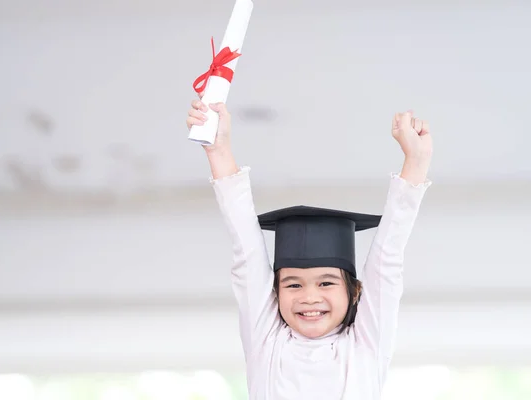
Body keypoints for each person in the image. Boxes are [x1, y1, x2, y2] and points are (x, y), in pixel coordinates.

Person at [185, 96, 432, 399]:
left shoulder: (366, 346)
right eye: (293, 285)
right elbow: (246, 250)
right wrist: (218, 148)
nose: (309, 297)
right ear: (274, 293)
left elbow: (388, 258)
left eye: (326, 282)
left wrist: (416, 162)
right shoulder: (266, 342)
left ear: (355, 291)